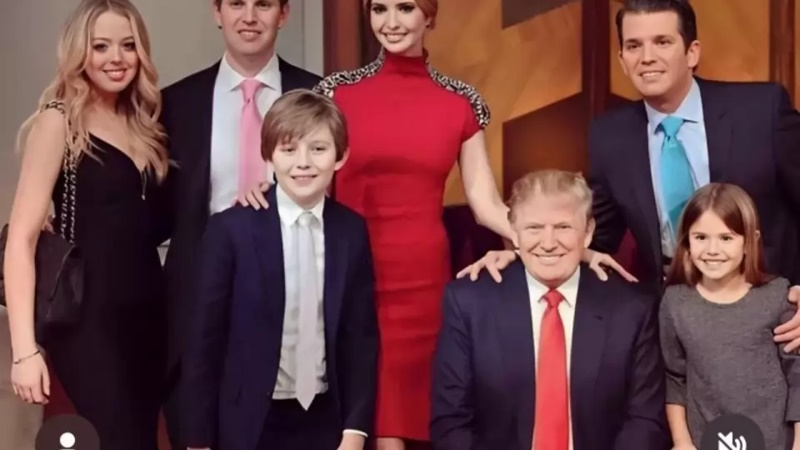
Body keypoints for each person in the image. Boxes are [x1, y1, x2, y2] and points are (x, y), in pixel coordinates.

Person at [459, 0, 800, 352]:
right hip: (671, 322)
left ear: (692, 52)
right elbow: (596, 237)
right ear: (622, 60)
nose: (647, 57)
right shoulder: (610, 136)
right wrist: (523, 256)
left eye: (662, 42)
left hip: (777, 317)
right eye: (634, 46)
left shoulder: (762, 110)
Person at [3, 0, 170, 448]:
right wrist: (24, 351)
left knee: (143, 439)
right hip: (88, 319)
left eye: (128, 45)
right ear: (79, 51)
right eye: (100, 46)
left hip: (149, 313)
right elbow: (20, 239)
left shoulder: (144, 123)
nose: (117, 58)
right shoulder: (58, 121)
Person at [158, 0, 321, 446]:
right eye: (236, 3)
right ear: (217, 12)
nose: (249, 17)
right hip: (198, 304)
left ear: (283, 14)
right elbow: (154, 210)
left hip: (296, 297)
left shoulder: (318, 94)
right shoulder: (175, 103)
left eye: (263, 4)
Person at [182, 89, 378, 450]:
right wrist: (197, 440)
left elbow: (360, 338)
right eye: (289, 149)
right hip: (250, 423)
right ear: (268, 155)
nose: (303, 163)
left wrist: (356, 429)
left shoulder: (351, 231)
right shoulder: (232, 230)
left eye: (318, 149)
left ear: (341, 156)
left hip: (327, 419)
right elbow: (203, 342)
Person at [430, 170, 670, 450]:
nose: (548, 243)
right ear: (514, 231)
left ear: (588, 232)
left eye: (563, 227)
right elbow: (451, 423)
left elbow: (645, 421)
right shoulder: (469, 304)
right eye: (534, 228)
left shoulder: (632, 309)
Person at [660, 183, 800, 450]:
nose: (712, 250)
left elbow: (798, 376)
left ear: (750, 241)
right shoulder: (675, 302)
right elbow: (675, 377)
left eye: (726, 238)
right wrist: (682, 442)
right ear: (687, 241)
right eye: (701, 237)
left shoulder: (777, 296)